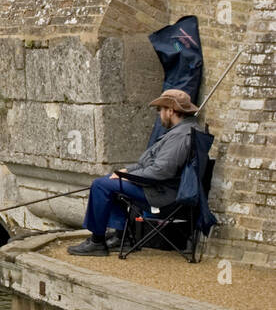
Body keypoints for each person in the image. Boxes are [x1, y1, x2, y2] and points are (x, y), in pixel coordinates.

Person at [68, 89, 201, 256]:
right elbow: (154, 165)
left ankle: (97, 242)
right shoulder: (184, 130)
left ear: (171, 111)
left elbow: (160, 171)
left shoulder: (181, 136)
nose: (159, 114)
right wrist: (127, 171)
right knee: (111, 181)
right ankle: (120, 235)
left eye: (160, 110)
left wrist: (128, 177)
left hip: (162, 193)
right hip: (160, 187)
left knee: (100, 185)